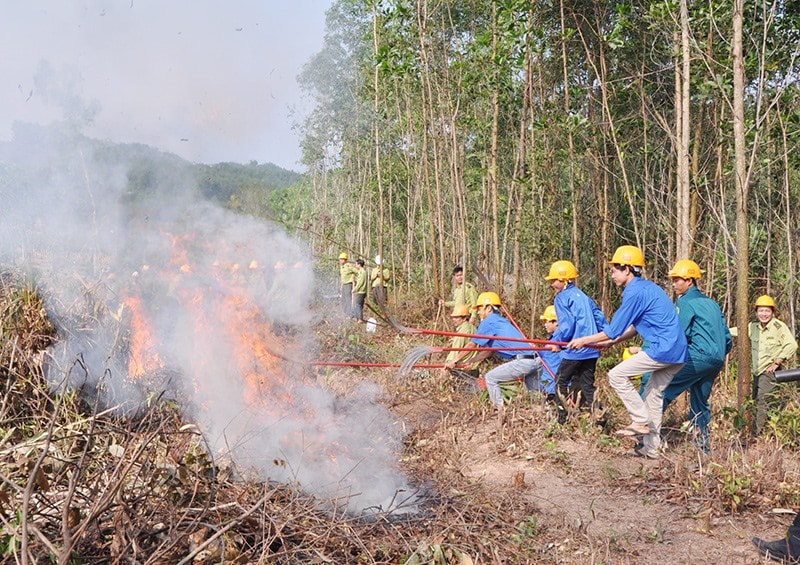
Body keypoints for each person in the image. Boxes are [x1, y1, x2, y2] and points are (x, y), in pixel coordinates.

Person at [567, 245, 688, 459]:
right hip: (678, 352)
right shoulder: (647, 288)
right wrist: (613, 342)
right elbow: (631, 327)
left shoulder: (634, 292)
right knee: (653, 395)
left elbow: (612, 329)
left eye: (615, 270)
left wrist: (583, 340)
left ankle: (640, 420)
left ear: (627, 270)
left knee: (616, 375)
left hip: (664, 349)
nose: (612, 275)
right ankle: (651, 449)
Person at [659, 259, 732, 452]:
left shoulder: (685, 302)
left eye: (678, 280)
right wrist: (718, 354)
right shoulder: (712, 303)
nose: (674, 284)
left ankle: (650, 437)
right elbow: (727, 337)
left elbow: (679, 333)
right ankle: (703, 447)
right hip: (716, 359)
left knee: (660, 390)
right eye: (673, 280)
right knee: (700, 401)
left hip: (698, 356)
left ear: (690, 281)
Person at [544, 260, 607, 423]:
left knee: (560, 381)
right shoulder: (583, 296)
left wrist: (556, 343)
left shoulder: (562, 298)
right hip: (592, 348)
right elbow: (599, 316)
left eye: (554, 280)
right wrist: (605, 337)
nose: (552, 284)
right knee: (587, 384)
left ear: (564, 280)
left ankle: (562, 419)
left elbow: (567, 325)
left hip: (576, 348)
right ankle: (599, 417)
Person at [466, 292, 542, 414]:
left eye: (480, 308)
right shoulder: (501, 321)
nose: (478, 312)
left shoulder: (488, 321)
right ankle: (542, 414)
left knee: (490, 378)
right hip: (536, 360)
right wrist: (472, 361)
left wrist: (454, 361)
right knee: (535, 394)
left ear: (489, 308)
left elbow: (472, 344)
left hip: (523, 361)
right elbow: (488, 352)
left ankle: (500, 412)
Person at [748, 294, 798, 434]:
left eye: (767, 311)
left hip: (769, 372)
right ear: (756, 312)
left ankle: (758, 434)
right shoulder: (753, 326)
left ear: (772, 312)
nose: (764, 314)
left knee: (762, 401)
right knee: (754, 400)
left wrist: (777, 361)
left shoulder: (778, 326)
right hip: (757, 371)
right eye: (761, 311)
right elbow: (736, 331)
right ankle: (756, 429)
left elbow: (791, 345)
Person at [442, 304, 478, 377]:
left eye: (456, 317)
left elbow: (456, 350)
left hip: (462, 368)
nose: (453, 320)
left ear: (464, 318)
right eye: (453, 317)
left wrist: (449, 363)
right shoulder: (474, 328)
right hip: (473, 367)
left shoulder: (462, 331)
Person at [538, 305, 563, 401]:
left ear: (556, 322)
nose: (545, 324)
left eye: (547, 321)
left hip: (553, 387)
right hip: (546, 385)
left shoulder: (560, 339)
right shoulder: (553, 338)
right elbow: (546, 355)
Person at [338, 252, 356, 317]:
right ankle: (346, 313)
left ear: (345, 260)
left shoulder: (349, 266)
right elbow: (342, 277)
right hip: (344, 285)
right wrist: (341, 286)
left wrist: (355, 281)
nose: (340, 260)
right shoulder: (341, 267)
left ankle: (350, 314)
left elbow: (357, 272)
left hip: (349, 284)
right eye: (340, 259)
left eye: (341, 259)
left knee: (348, 300)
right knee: (343, 300)